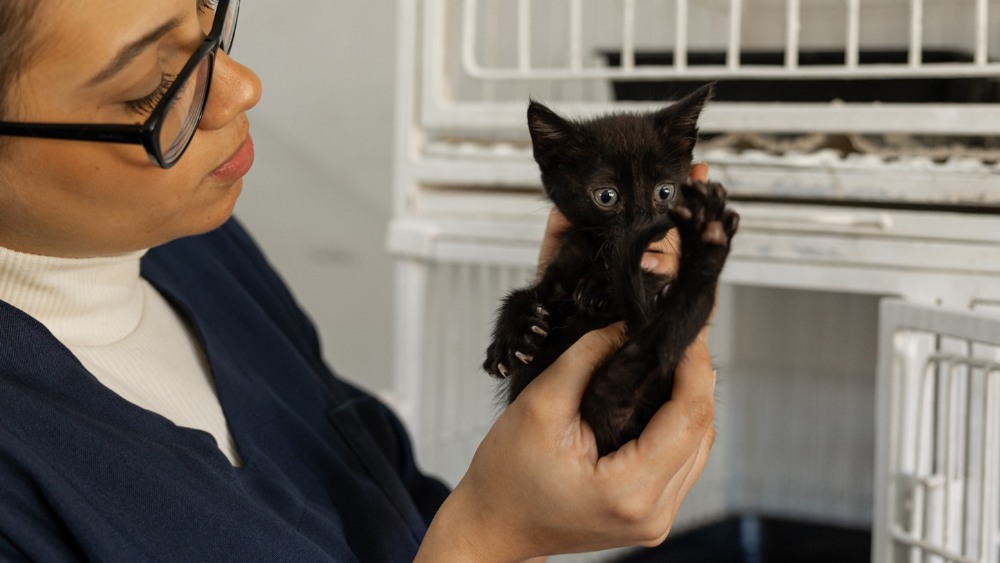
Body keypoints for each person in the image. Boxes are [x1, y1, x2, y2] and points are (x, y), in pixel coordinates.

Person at [0, 1, 718, 561]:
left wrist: (563, 359)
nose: (244, 86)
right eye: (154, 88)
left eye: (207, 22)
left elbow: (400, 510)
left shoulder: (198, 255)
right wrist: (488, 537)